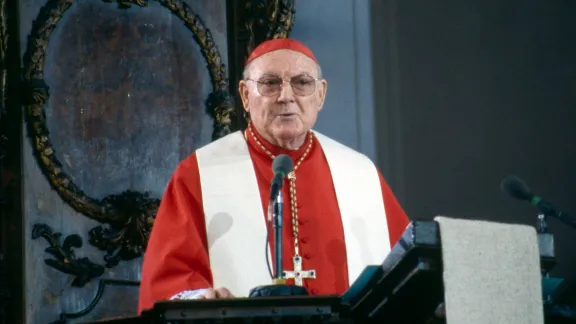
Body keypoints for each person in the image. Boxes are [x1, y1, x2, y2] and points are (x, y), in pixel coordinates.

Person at [138, 38, 410, 313]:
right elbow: (169, 282)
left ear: (321, 95)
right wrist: (200, 299)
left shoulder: (360, 173)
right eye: (270, 83)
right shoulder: (198, 173)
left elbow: (405, 271)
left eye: (302, 83)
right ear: (245, 95)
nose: (286, 96)